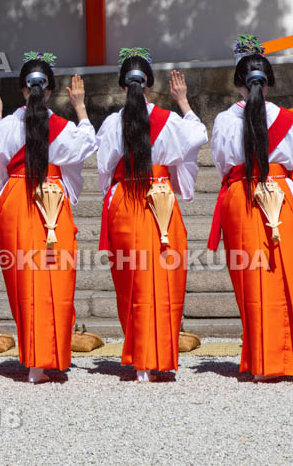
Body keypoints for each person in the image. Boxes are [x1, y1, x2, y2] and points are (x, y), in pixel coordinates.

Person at [209, 35, 293, 381]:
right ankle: (281, 360)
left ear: (238, 83)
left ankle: (258, 359)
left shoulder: (225, 121)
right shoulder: (287, 120)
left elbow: (221, 165)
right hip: (280, 197)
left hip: (241, 196)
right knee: (285, 275)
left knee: (250, 279)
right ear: (270, 81)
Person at [96, 48, 208, 382]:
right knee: (164, 279)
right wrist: (184, 101)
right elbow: (198, 136)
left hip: (125, 201)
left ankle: (140, 359)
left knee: (131, 282)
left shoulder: (112, 123)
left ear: (121, 86)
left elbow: (104, 171)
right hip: (159, 201)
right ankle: (160, 356)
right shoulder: (169, 120)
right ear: (149, 87)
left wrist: (115, 192)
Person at [0, 53, 97, 383]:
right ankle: (46, 357)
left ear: (23, 90)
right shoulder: (62, 128)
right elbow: (85, 145)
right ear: (49, 92)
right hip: (52, 200)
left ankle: (33, 359)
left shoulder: (7, 125)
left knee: (24, 279)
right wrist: (80, 108)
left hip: (18, 199)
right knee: (55, 278)